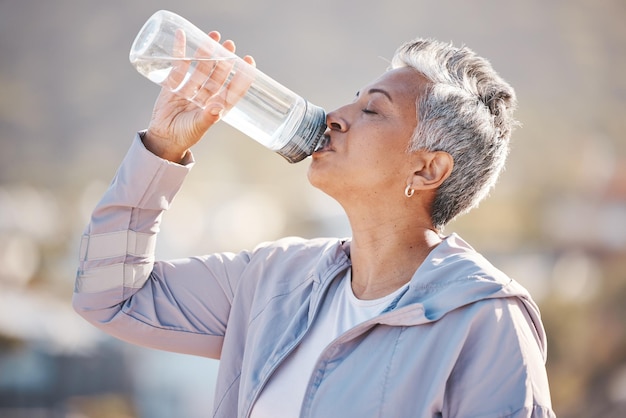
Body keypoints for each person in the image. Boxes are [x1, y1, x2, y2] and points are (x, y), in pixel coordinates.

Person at [73, 31, 556, 417]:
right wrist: (162, 145)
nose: (335, 117)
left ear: (427, 169)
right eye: (353, 100)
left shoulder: (483, 319)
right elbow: (111, 297)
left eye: (372, 110)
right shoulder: (272, 280)